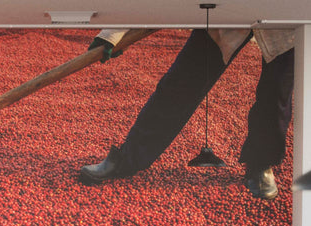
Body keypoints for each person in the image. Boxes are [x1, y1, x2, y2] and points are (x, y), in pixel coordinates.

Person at [81, 28, 295, 200]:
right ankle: (128, 159)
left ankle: (261, 163)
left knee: (276, 94)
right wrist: (113, 34)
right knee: (180, 84)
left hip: (286, 22)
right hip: (225, 10)